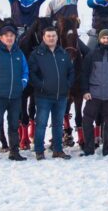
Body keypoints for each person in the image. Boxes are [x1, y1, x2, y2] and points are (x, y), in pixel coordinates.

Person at [28, 26, 75, 160]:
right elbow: (32, 73)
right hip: (43, 96)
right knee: (41, 124)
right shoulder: (37, 54)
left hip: (61, 96)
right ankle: (39, 150)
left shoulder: (63, 53)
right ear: (43, 37)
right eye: (48, 36)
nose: (51, 38)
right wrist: (41, 85)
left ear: (57, 37)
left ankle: (58, 150)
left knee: (58, 124)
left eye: (53, 36)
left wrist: (68, 84)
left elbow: (71, 71)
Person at [0, 24, 29, 161]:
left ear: (15, 37)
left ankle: (14, 152)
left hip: (15, 96)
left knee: (14, 124)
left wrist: (23, 83)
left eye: (12, 36)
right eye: (6, 36)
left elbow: (25, 71)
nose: (9, 38)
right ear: (1, 37)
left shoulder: (19, 53)